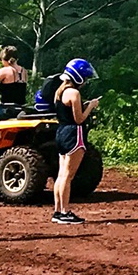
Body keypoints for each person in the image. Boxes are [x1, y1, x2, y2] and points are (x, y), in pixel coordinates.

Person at [51, 58, 100, 226]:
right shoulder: (74, 93)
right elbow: (79, 119)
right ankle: (65, 211)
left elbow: (67, 113)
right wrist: (91, 106)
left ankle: (58, 210)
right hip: (74, 133)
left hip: (61, 132)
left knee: (61, 174)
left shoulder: (59, 92)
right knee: (68, 175)